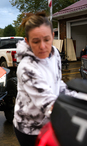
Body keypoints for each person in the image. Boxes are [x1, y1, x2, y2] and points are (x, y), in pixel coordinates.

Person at [13, 12, 77, 146]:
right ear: (27, 41)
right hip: (30, 129)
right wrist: (77, 115)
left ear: (53, 36)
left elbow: (57, 83)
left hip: (51, 123)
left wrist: (79, 98)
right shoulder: (26, 67)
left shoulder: (54, 53)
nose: (42, 46)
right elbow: (48, 103)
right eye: (36, 41)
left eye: (47, 40)